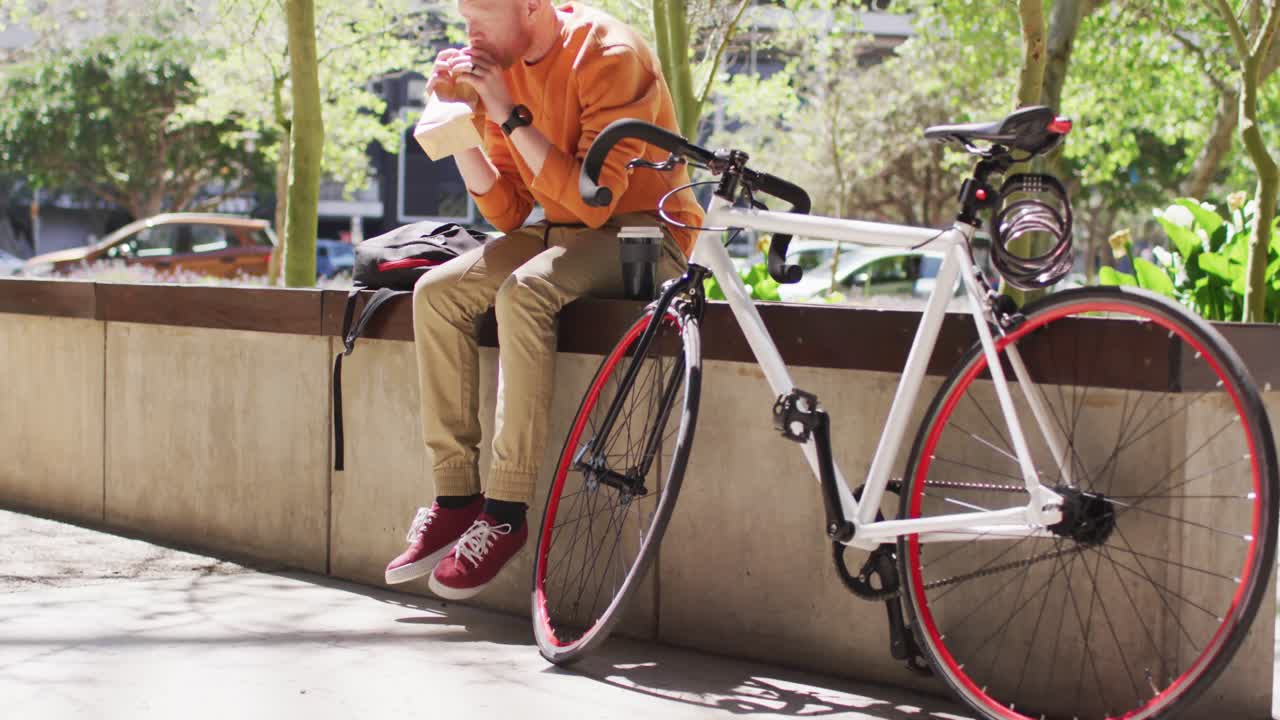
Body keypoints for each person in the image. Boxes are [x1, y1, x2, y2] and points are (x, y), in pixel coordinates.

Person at [383, 0, 704, 600]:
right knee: (437, 292)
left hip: (646, 236)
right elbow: (506, 213)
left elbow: (592, 199)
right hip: (562, 228)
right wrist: (458, 125)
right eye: (465, 17)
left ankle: (506, 508)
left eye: (480, 16)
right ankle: (456, 496)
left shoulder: (610, 54)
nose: (469, 32)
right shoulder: (505, 69)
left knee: (525, 290)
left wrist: (505, 111)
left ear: (530, 6)